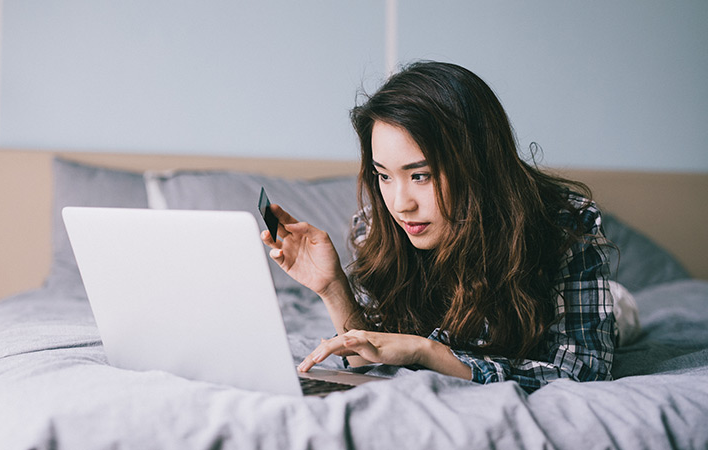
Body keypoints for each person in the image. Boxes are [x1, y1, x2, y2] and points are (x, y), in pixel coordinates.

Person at [261, 61, 620, 393]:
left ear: (478, 165)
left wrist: (429, 353)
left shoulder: (565, 227)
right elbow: (369, 352)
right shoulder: (377, 227)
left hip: (596, 301)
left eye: (420, 175)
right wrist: (333, 287)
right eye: (384, 175)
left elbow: (584, 371)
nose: (401, 204)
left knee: (623, 313)